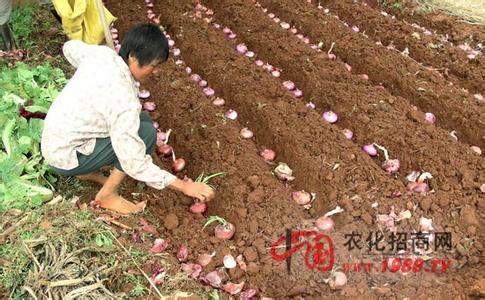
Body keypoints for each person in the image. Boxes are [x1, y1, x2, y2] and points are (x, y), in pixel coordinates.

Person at [41, 23, 215, 215]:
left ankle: (86, 172)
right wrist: (184, 186)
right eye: (154, 66)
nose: (155, 72)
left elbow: (70, 48)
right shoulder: (124, 100)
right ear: (132, 56)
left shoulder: (102, 55)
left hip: (55, 141)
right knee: (146, 134)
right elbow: (134, 162)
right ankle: (107, 195)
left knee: (144, 120)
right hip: (64, 157)